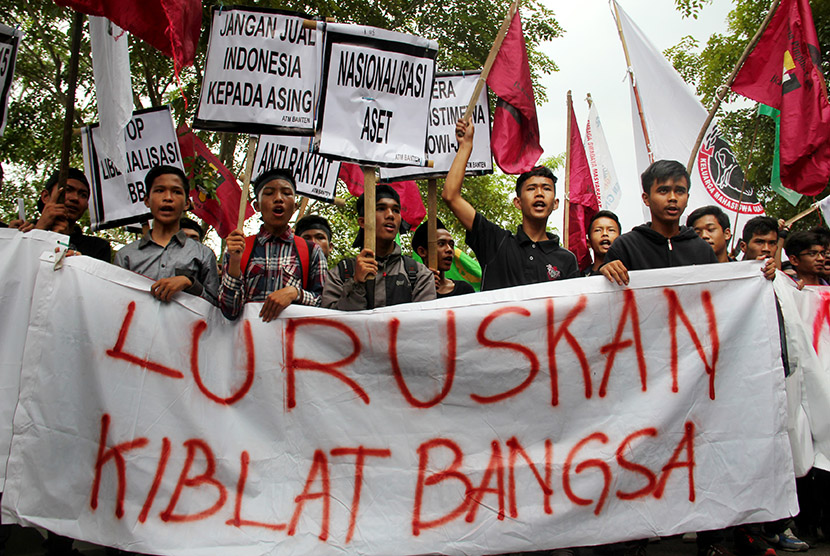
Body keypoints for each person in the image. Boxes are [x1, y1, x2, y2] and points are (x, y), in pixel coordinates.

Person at [442, 118, 578, 290]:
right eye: (531, 189)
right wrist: (466, 146)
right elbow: (451, 196)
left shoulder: (567, 260)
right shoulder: (495, 242)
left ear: (555, 203)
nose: (539, 194)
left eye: (546, 188)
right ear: (518, 202)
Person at [219, 168, 326, 321]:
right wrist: (235, 263)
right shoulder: (239, 248)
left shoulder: (311, 251)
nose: (278, 198)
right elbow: (229, 311)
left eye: (286, 193)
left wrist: (294, 293)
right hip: (250, 342)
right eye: (269, 193)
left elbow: (324, 304)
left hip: (294, 342)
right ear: (257, 206)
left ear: (295, 206)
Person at [114, 166, 220, 305]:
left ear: (187, 203)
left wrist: (190, 284)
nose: (168, 198)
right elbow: (115, 302)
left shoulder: (203, 255)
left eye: (176, 192)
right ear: (147, 200)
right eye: (159, 190)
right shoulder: (125, 256)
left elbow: (215, 307)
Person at [322, 184, 435, 310]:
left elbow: (424, 324)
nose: (390, 215)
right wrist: (356, 284)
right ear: (362, 222)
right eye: (381, 208)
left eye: (396, 210)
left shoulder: (419, 274)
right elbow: (331, 324)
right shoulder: (341, 274)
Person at [11, 168, 111, 262]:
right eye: (68, 190)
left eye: (83, 195)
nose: (75, 198)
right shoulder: (19, 234)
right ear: (46, 196)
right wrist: (39, 231)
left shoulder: (97, 248)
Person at [411, 219, 475, 298]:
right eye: (441, 244)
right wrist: (424, 289)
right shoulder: (412, 290)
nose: (449, 249)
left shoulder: (465, 290)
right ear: (422, 252)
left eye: (451, 245)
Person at [584, 210, 621, 276]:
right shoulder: (580, 277)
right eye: (598, 230)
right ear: (588, 242)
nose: (605, 234)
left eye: (611, 230)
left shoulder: (630, 270)